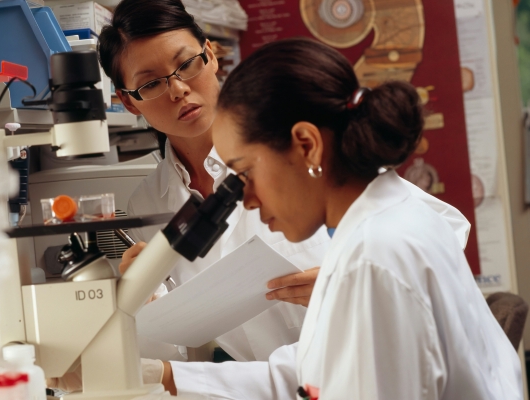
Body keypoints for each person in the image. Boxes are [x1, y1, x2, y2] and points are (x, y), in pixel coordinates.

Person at [97, 0, 471, 364]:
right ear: (129, 103)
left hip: (362, 360)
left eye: (187, 64)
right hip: (275, 384)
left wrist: (353, 280)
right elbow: (175, 348)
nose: (178, 89)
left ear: (211, 56)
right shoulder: (145, 206)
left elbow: (447, 230)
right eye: (151, 84)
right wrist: (143, 300)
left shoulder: (290, 142)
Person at [154, 38, 521, 399]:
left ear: (307, 145)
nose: (246, 200)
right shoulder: (382, 220)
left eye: (246, 173)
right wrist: (163, 376)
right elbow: (314, 377)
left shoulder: (373, 256)